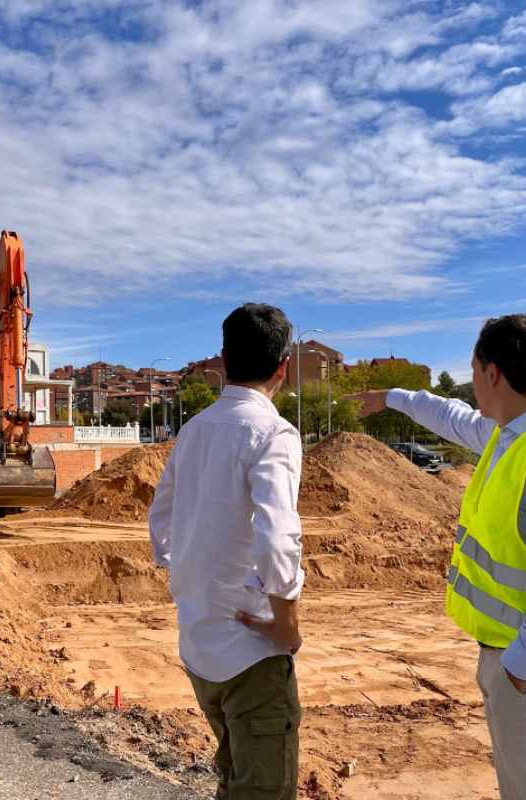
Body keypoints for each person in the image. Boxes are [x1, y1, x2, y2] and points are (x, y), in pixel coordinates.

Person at [354, 314, 526, 800]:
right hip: (522, 664)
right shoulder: (510, 435)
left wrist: (518, 666)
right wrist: (391, 398)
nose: (471, 385)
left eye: (474, 372)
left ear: (493, 374)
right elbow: (451, 416)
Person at [149, 303, 304, 800]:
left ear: (222, 358)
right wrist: (286, 620)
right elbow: (280, 535)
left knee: (234, 779)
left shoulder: (194, 430)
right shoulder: (273, 434)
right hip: (251, 656)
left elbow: (162, 523)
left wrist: (194, 584)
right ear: (285, 365)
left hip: (200, 647)